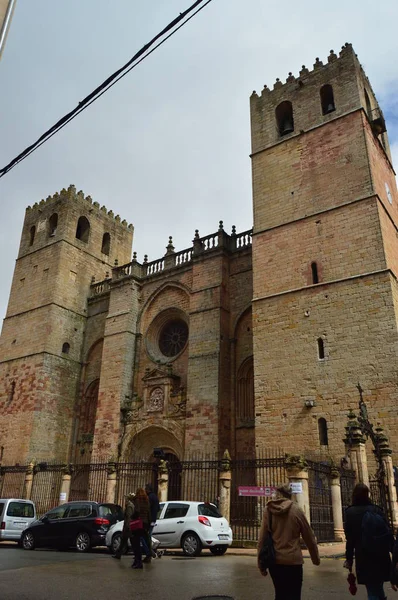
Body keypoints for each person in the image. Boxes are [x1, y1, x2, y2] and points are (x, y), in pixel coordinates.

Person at [257, 483, 320, 600]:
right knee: (294, 595)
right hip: (293, 562)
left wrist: (260, 564)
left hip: (275, 561)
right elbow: (309, 537)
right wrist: (315, 558)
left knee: (280, 594)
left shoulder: (268, 511)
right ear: (289, 495)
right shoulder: (296, 510)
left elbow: (262, 539)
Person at [344, 483, 397, 600]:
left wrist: (349, 560)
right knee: (377, 587)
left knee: (373, 590)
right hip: (381, 554)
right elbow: (387, 533)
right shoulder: (377, 510)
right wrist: (394, 553)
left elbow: (350, 539)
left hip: (364, 556)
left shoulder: (350, 513)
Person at [130, 487, 151, 568]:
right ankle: (137, 562)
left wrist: (133, 517)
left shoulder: (137, 500)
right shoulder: (147, 500)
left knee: (136, 544)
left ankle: (138, 562)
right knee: (143, 541)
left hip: (138, 523)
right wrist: (148, 524)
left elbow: (137, 511)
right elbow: (149, 512)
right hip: (145, 524)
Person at [112, 492, 135, 560]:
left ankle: (137, 554)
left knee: (131, 541)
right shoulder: (130, 505)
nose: (125, 499)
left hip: (128, 526)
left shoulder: (130, 506)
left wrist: (127, 526)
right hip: (128, 526)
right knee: (123, 540)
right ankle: (118, 554)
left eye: (126, 498)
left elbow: (128, 516)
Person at [145, 483, 160, 557]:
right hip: (154, 519)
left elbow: (147, 508)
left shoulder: (149, 497)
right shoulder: (156, 497)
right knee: (149, 534)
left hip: (149, 519)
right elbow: (158, 508)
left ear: (148, 490)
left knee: (146, 536)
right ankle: (151, 550)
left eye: (146, 489)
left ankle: (150, 551)